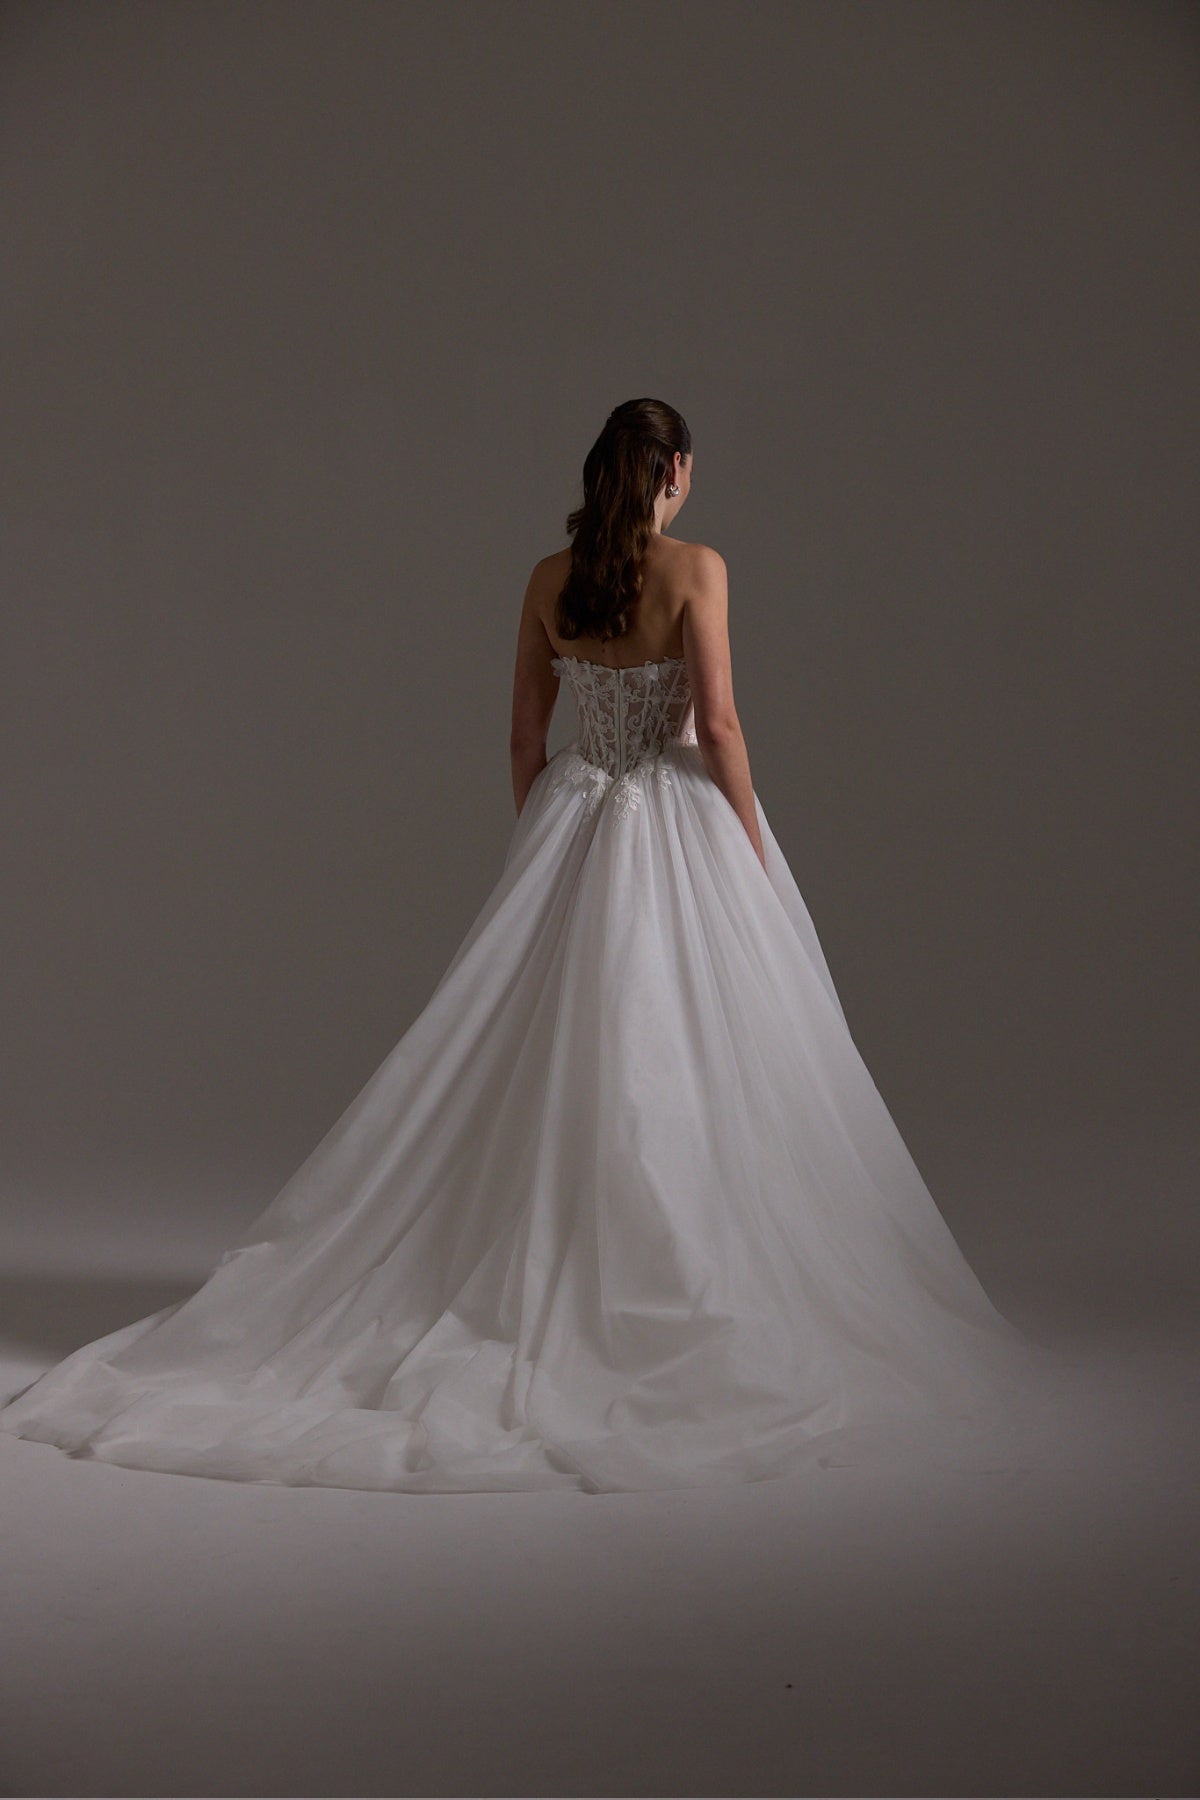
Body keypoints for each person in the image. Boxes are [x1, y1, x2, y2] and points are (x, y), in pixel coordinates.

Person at [0, 397, 1045, 1493]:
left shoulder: (551, 579)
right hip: (684, 818)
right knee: (701, 1056)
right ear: (676, 470)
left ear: (604, 472)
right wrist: (750, 851)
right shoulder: (700, 569)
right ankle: (676, 1283)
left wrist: (548, 842)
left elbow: (521, 738)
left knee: (542, 1062)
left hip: (578, 817)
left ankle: (541, 1270)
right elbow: (723, 728)